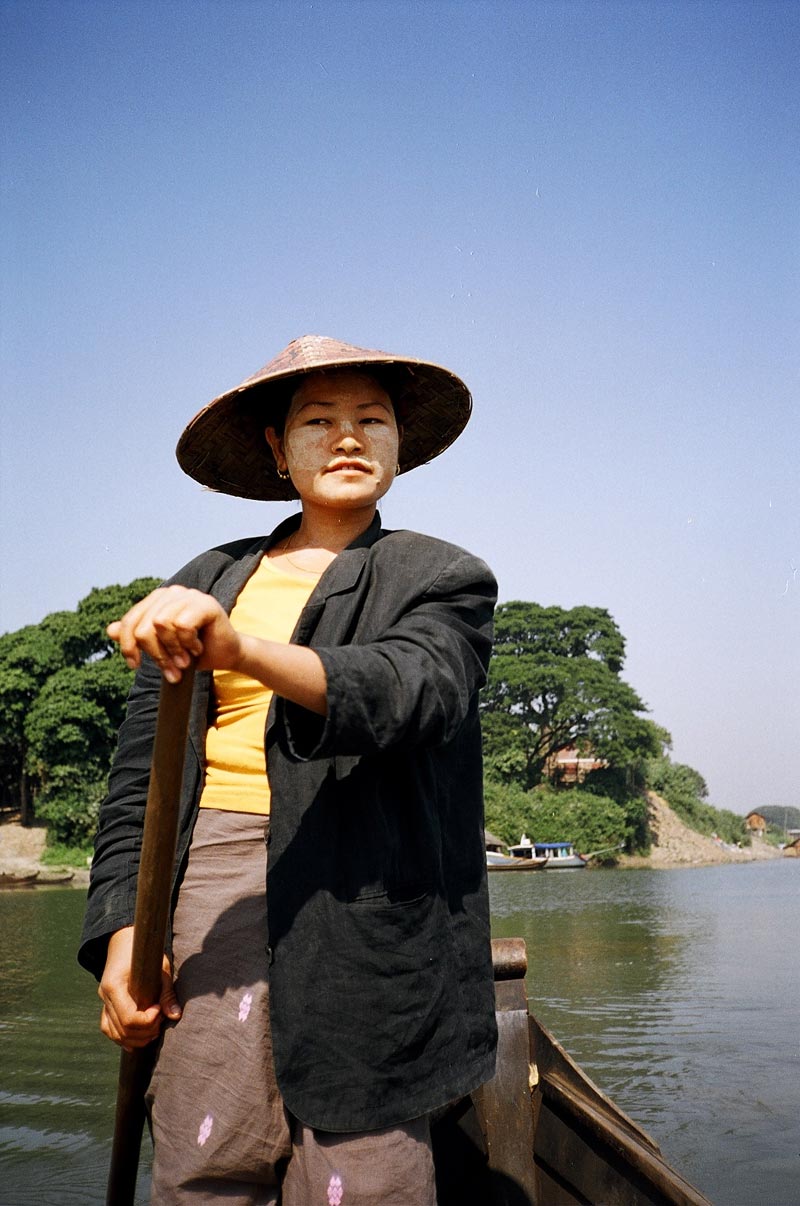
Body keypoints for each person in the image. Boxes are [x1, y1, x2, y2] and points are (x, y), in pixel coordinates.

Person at [80, 334, 498, 1205]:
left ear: (397, 446)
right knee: (207, 1147)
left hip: (371, 881)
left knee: (366, 1160)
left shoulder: (442, 575)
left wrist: (243, 649)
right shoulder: (210, 576)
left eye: (370, 420)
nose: (348, 438)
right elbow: (137, 783)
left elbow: (412, 690)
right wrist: (125, 932)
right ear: (278, 448)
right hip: (211, 880)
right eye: (319, 421)